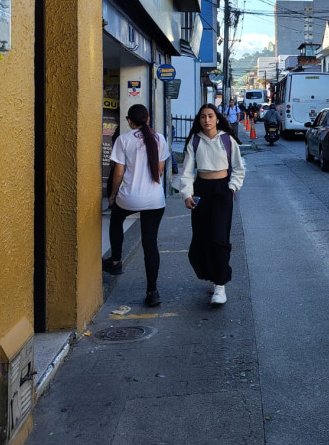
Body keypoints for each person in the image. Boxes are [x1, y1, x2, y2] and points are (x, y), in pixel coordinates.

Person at [176, 103, 246, 305]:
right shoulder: (195, 141)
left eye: (210, 116)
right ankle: (213, 276)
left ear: (217, 118)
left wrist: (231, 188)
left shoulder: (227, 139)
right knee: (201, 237)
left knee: (219, 237)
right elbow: (188, 172)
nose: (206, 120)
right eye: (203, 117)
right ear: (199, 120)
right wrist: (187, 194)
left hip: (222, 190)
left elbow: (238, 168)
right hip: (201, 190)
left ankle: (221, 284)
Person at [103, 104, 170, 307]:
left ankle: (115, 261)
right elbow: (160, 170)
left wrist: (113, 195)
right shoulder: (160, 139)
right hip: (155, 199)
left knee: (116, 218)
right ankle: (152, 292)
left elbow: (118, 173)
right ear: (147, 119)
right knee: (150, 243)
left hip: (130, 197)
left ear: (129, 121)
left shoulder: (124, 140)